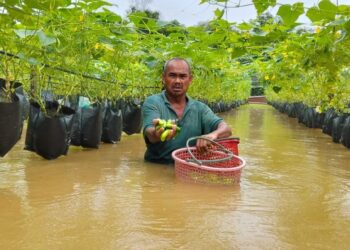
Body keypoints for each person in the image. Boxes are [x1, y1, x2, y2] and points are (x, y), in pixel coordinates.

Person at [142, 58, 232, 163]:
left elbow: (226, 129)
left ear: (190, 79)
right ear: (163, 78)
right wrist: (158, 133)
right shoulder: (153, 102)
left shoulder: (200, 108)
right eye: (172, 75)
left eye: (183, 76)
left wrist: (212, 135)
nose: (177, 81)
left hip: (188, 168)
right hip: (157, 167)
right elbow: (150, 133)